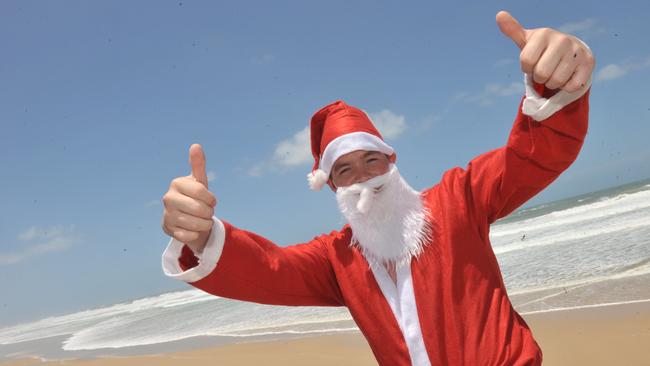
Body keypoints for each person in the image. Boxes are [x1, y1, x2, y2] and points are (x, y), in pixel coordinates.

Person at [160, 11, 594, 366]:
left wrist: (555, 82)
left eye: (372, 160)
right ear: (331, 186)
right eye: (345, 170)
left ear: (393, 161)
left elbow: (534, 157)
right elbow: (267, 270)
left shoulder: (459, 198)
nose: (365, 177)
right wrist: (200, 234)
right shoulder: (337, 260)